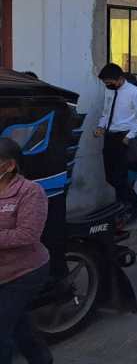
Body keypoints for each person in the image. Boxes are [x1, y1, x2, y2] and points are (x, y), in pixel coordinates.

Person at [0, 138, 53, 364]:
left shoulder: (31, 192)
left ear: (9, 165)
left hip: (25, 272)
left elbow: (28, 234)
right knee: (18, 325)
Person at [95, 62, 137, 219]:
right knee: (110, 176)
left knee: (120, 176)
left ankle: (129, 206)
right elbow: (106, 112)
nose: (107, 85)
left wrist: (129, 136)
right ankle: (133, 204)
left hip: (124, 137)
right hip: (110, 135)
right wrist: (101, 126)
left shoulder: (135, 93)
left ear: (119, 79)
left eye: (109, 82)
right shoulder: (110, 91)